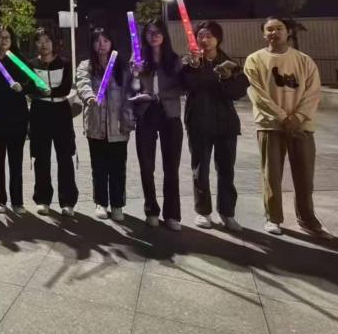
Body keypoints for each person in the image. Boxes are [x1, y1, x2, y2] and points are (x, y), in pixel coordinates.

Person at [244, 16, 332, 239]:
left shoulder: (304, 60)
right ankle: (273, 217)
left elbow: (313, 92)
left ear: (288, 31)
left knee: (304, 176)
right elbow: (258, 95)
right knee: (271, 175)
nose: (274, 32)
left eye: (279, 28)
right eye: (269, 29)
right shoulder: (254, 60)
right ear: (263, 34)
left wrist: (298, 117)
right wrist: (283, 118)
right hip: (270, 126)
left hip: (302, 126)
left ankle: (307, 218)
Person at [183, 20, 249, 232]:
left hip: (225, 124)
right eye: (201, 35)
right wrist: (193, 66)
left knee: (226, 170)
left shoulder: (229, 63)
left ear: (218, 39)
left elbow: (238, 93)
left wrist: (227, 79)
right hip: (199, 122)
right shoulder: (190, 62)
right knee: (200, 170)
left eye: (209, 35)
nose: (205, 39)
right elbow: (185, 87)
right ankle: (203, 212)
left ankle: (227, 213)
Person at [130, 18, 184, 230]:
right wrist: (135, 73)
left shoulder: (174, 60)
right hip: (146, 114)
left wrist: (160, 95)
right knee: (146, 165)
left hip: (170, 114)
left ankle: (172, 215)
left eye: (157, 32)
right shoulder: (138, 58)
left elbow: (183, 87)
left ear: (164, 35)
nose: (153, 36)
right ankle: (151, 210)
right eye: (149, 32)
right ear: (144, 36)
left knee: (171, 166)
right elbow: (131, 87)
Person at [76, 28, 134, 222]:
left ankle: (117, 204)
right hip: (96, 125)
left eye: (105, 40)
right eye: (97, 41)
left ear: (111, 43)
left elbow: (130, 92)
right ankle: (101, 202)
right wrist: (89, 97)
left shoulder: (122, 66)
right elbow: (82, 84)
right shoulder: (86, 66)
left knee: (118, 168)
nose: (101, 45)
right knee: (99, 167)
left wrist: (128, 120)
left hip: (118, 126)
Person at [26, 27, 77, 217]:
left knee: (65, 157)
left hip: (61, 112)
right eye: (39, 41)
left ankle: (68, 201)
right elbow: (30, 88)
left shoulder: (64, 63)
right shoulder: (31, 64)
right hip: (40, 112)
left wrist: (51, 92)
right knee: (41, 158)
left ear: (53, 42)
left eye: (47, 40)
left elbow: (66, 88)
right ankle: (42, 199)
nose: (44, 45)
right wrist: (38, 92)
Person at [0, 27, 29, 215]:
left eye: (7, 37)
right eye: (0, 37)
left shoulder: (19, 59)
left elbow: (30, 81)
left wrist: (22, 87)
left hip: (17, 116)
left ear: (12, 39)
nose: (4, 40)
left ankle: (18, 201)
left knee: (16, 161)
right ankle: (0, 200)